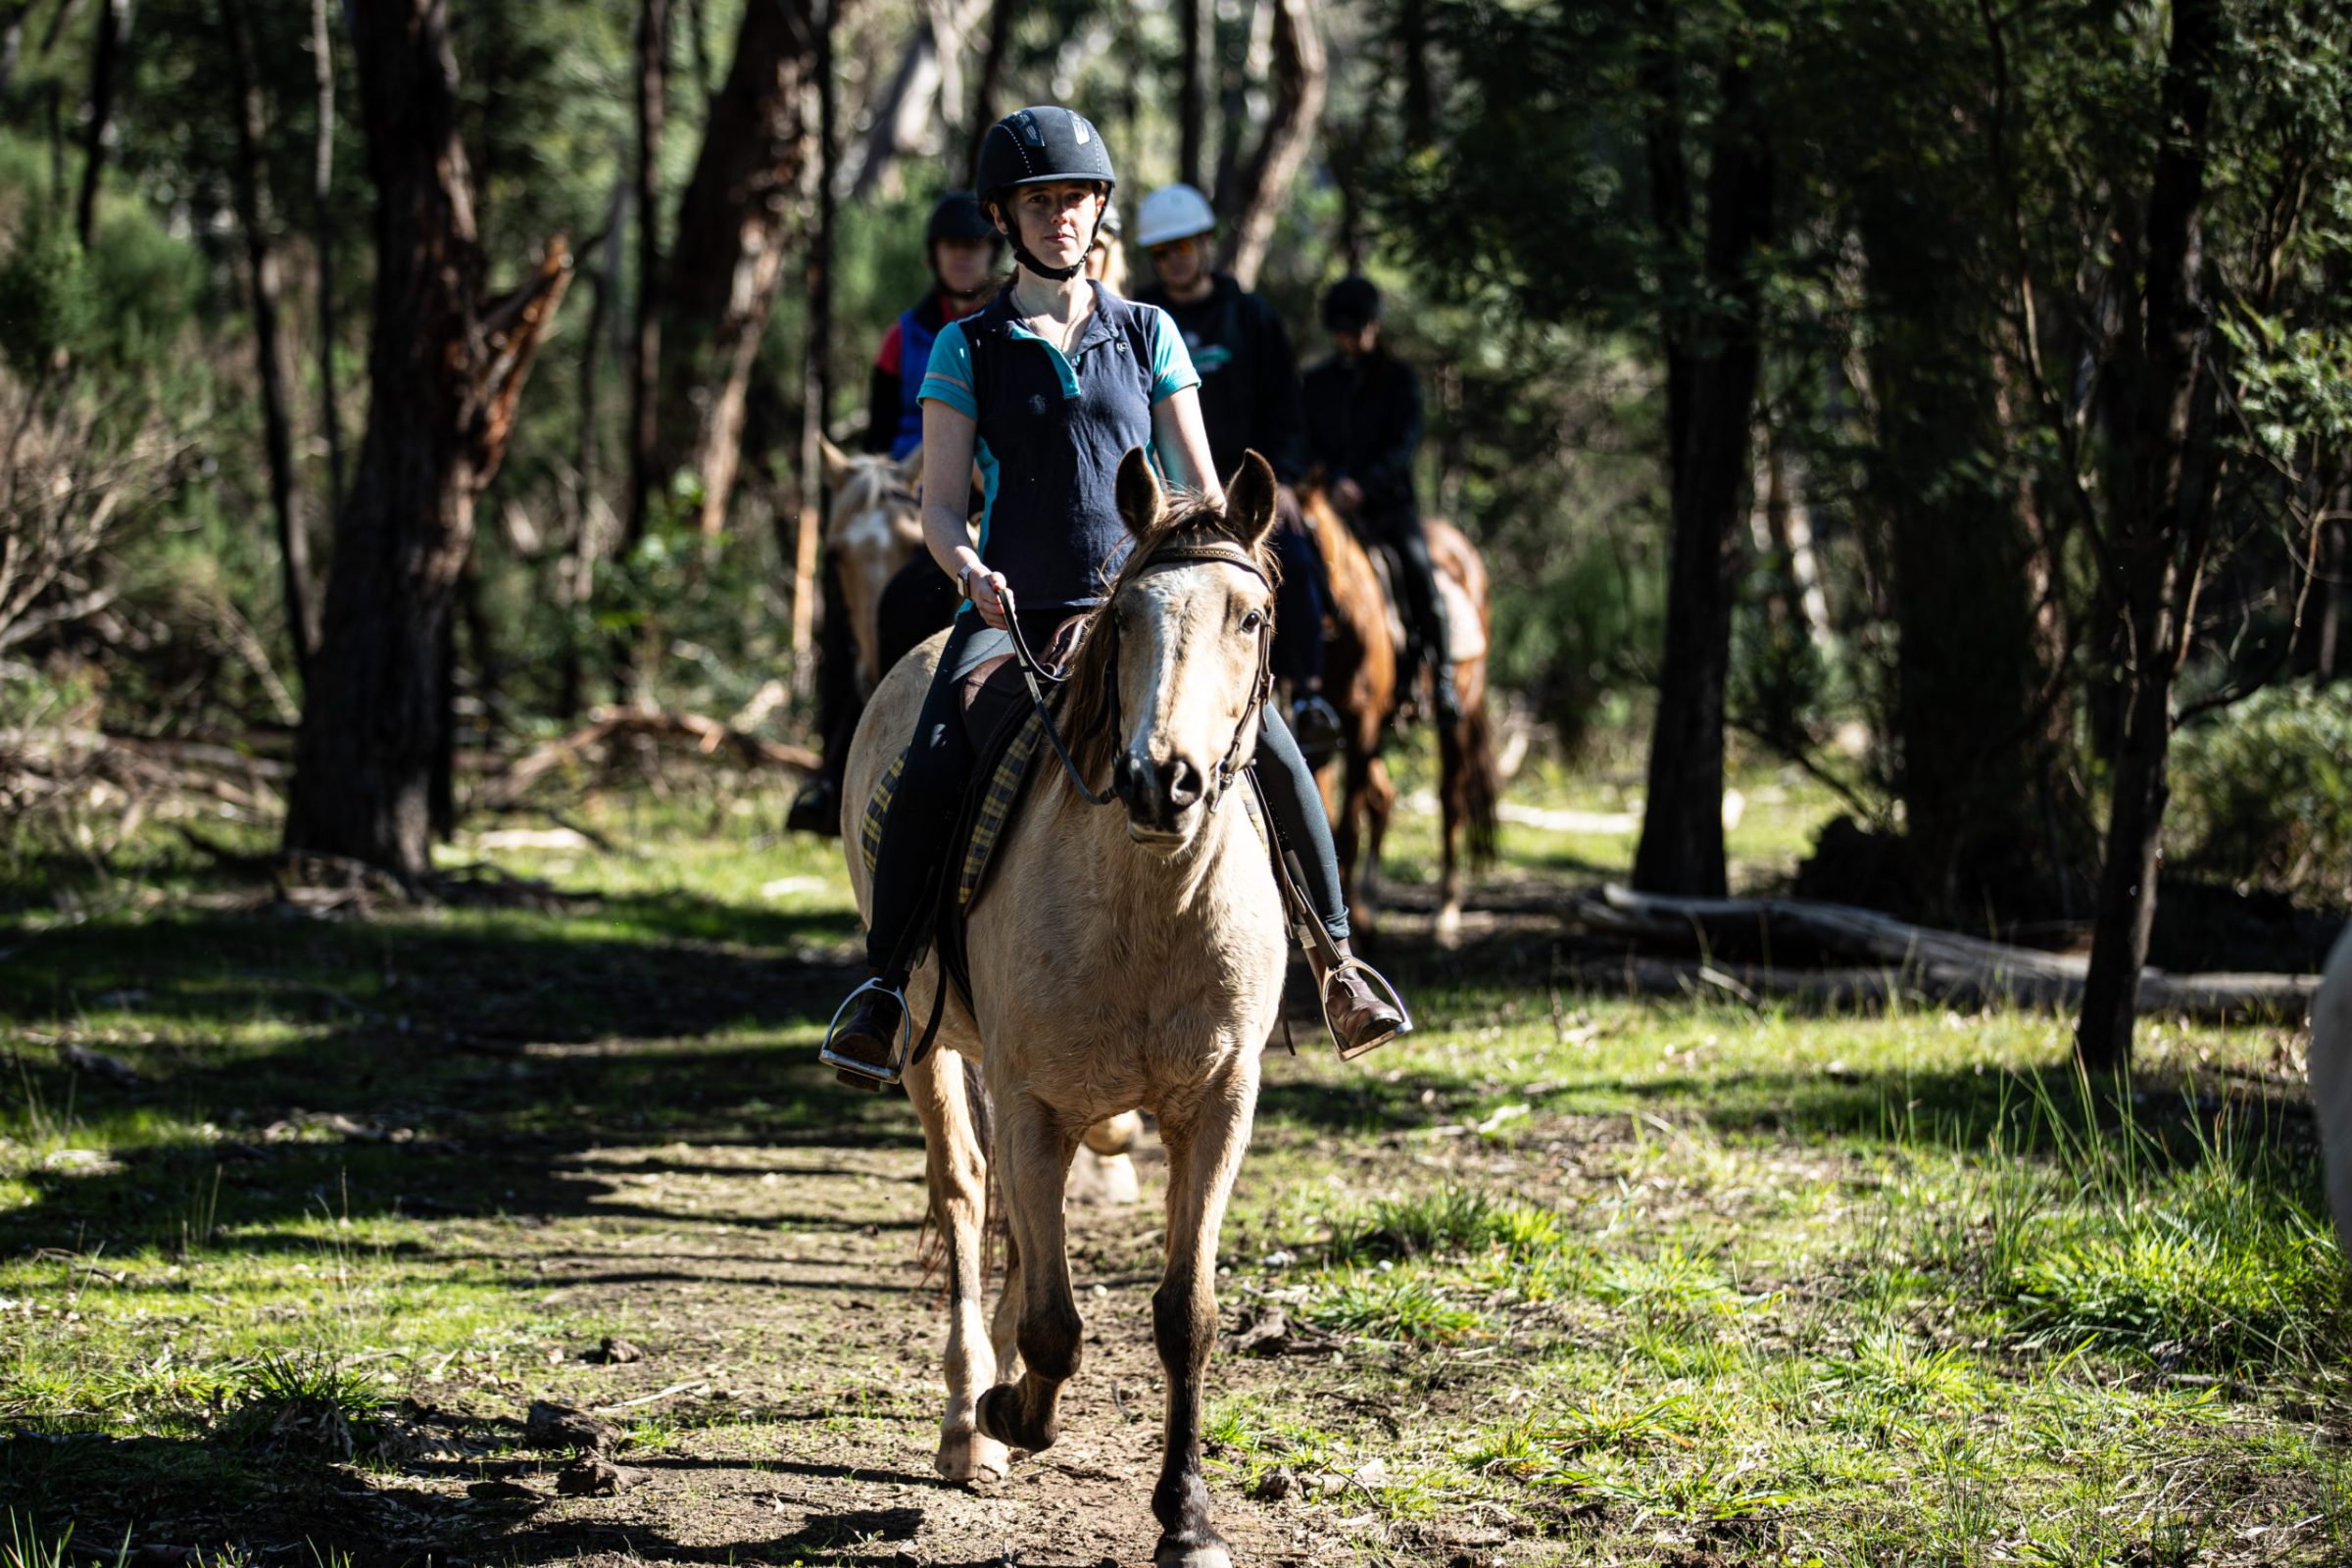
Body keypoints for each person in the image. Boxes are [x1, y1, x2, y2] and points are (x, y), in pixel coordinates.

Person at [825, 106, 1407, 1082]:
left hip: (1145, 612)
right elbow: (937, 507)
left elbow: (1203, 483)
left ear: (1101, 212)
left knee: (1268, 740)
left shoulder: (1150, 333)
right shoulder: (968, 348)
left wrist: (1220, 566)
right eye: (1043, 202)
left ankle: (1338, 960)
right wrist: (969, 570)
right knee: (929, 757)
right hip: (1016, 611)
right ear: (1008, 217)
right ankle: (887, 987)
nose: (1063, 217)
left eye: (1080, 200)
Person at [789, 194, 1002, 834]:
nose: (963, 260)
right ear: (936, 257)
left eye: (974, 248)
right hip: (907, 487)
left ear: (992, 253)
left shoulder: (1007, 323)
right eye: (952, 249)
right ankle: (833, 767)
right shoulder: (901, 338)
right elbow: (882, 433)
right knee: (847, 584)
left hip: (976, 494)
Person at [1132, 182, 1341, 764]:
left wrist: (1288, 481)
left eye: (1183, 247)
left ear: (1205, 243)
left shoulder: (1251, 317)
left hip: (1249, 496)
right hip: (1170, 500)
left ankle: (1309, 697)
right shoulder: (1142, 319)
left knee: (1296, 557)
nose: (1174, 260)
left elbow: (1286, 408)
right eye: (1161, 252)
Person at [1301, 275, 1458, 726]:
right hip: (1330, 508)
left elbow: (1403, 446)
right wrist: (1326, 480)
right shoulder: (1317, 383)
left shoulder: (1399, 380)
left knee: (1417, 569)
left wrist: (1364, 486)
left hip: (1387, 506)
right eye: (1340, 331)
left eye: (1355, 329)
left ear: (1374, 326)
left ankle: (1441, 674)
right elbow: (1307, 440)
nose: (1347, 339)